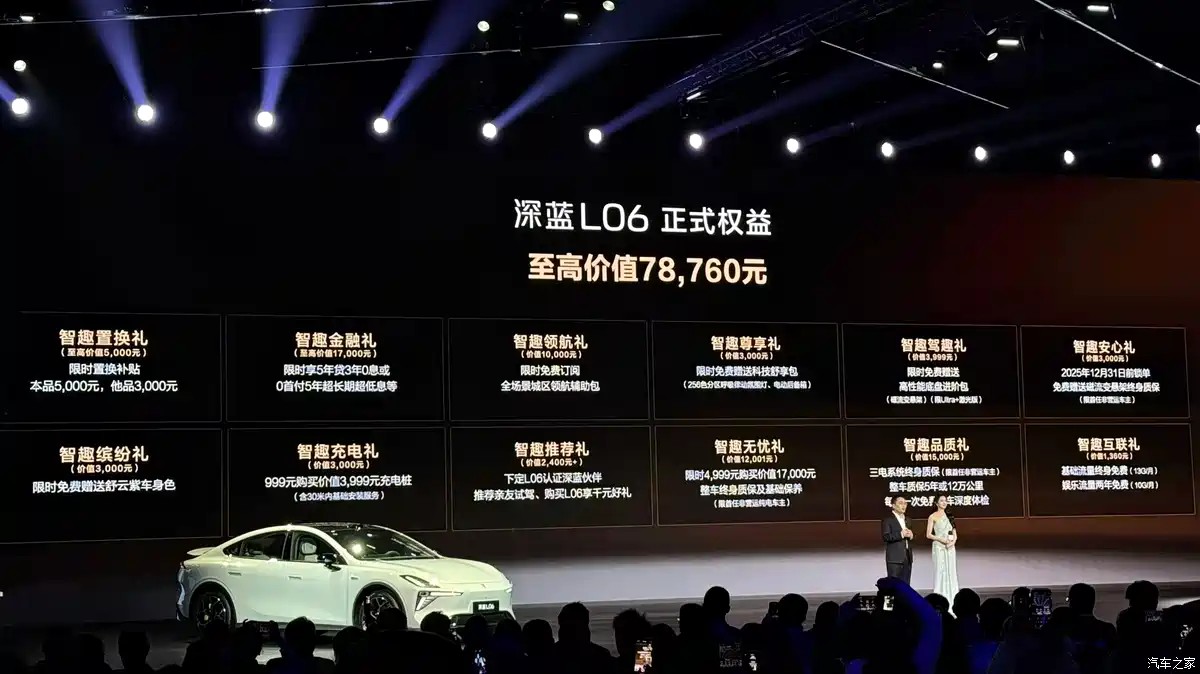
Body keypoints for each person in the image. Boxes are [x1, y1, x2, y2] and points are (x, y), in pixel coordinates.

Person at [926, 495, 959, 604]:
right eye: (942, 501)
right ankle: (940, 597)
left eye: (946, 501)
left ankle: (952, 596)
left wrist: (952, 543)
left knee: (951, 571)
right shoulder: (932, 516)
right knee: (940, 571)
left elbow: (955, 534)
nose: (944, 503)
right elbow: (929, 535)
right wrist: (941, 539)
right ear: (936, 503)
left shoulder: (950, 516)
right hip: (939, 546)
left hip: (950, 547)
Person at [881, 495, 915, 584]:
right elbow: (886, 537)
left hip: (907, 557)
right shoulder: (888, 520)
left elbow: (911, 536)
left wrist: (911, 535)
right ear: (893, 505)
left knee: (906, 586)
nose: (903, 505)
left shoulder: (908, 520)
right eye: (900, 503)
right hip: (894, 559)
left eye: (905, 503)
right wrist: (901, 534)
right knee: (894, 586)